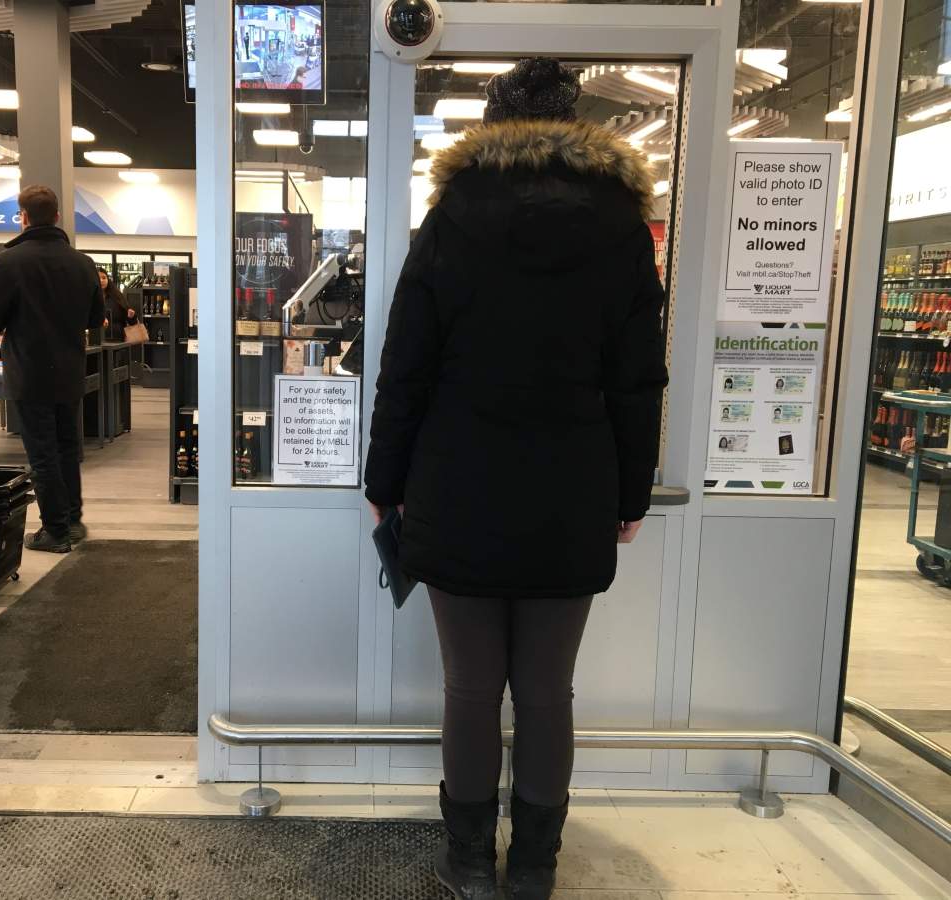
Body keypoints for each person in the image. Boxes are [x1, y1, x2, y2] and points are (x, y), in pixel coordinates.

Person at [365, 59, 667, 900]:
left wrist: (383, 480)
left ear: (491, 124)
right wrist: (632, 492)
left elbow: (406, 369)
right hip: (573, 488)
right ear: (580, 126)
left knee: (469, 687)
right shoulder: (623, 228)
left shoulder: (452, 218)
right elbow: (639, 378)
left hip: (456, 484)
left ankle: (468, 861)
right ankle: (534, 864)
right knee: (545, 689)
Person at [0, 185, 104, 553]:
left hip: (29, 373)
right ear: (57, 216)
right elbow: (96, 318)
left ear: (23, 216)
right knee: (68, 448)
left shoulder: (8, 262)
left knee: (42, 453)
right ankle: (73, 520)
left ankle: (56, 531)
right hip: (69, 370)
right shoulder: (82, 263)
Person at [98, 267, 138, 342]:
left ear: (108, 280)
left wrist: (131, 316)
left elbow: (131, 321)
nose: (101, 280)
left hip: (117, 340)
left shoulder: (117, 297)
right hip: (95, 341)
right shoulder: (89, 298)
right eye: (98, 278)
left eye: (104, 278)